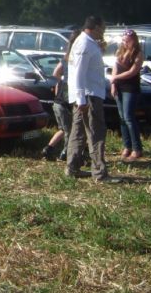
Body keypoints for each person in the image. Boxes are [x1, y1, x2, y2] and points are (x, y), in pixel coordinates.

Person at [65, 15, 118, 183]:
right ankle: (99, 173)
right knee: (96, 133)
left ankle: (72, 168)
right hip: (88, 96)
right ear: (95, 27)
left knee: (78, 132)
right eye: (103, 28)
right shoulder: (84, 44)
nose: (103, 32)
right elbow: (79, 73)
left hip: (85, 95)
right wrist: (81, 99)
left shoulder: (87, 42)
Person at [42, 29, 81, 161]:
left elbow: (55, 73)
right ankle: (65, 153)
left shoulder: (66, 58)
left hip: (57, 103)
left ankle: (48, 149)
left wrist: (61, 81)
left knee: (63, 129)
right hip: (63, 104)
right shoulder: (75, 60)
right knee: (69, 130)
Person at [110, 29, 144, 160]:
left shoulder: (138, 54)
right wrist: (113, 83)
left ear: (134, 40)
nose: (125, 43)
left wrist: (116, 78)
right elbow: (115, 68)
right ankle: (127, 146)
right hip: (119, 86)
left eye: (128, 41)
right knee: (122, 118)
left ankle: (137, 148)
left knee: (129, 117)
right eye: (124, 40)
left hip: (130, 88)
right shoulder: (120, 52)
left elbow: (132, 72)